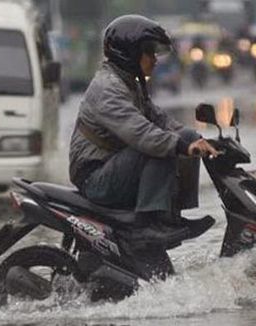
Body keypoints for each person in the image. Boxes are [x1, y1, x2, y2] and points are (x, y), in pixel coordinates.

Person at [68, 15, 218, 242]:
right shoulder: (107, 88)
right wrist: (181, 147)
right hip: (95, 178)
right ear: (129, 53)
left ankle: (172, 216)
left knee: (184, 136)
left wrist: (201, 142)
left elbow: (161, 121)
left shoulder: (130, 84)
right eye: (149, 52)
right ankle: (147, 222)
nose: (155, 60)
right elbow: (142, 134)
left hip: (115, 168)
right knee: (160, 145)